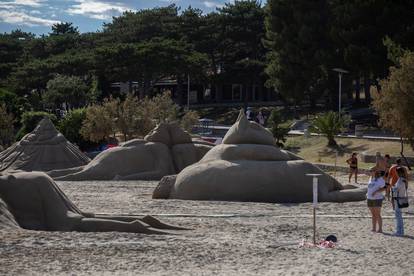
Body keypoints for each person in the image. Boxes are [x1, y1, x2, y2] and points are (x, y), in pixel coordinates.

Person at [366, 168, 387, 233]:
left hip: (377, 199)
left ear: (375, 171)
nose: (370, 172)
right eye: (369, 171)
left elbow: (385, 188)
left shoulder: (380, 179)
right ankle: (374, 228)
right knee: (373, 214)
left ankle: (380, 229)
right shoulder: (370, 178)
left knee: (378, 214)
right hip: (369, 198)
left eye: (371, 171)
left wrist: (376, 192)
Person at [391, 167, 408, 236]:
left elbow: (396, 190)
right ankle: (400, 231)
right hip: (401, 198)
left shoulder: (400, 180)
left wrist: (392, 187)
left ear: (398, 173)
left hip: (397, 199)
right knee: (399, 216)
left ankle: (399, 231)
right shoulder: (404, 180)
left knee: (398, 216)